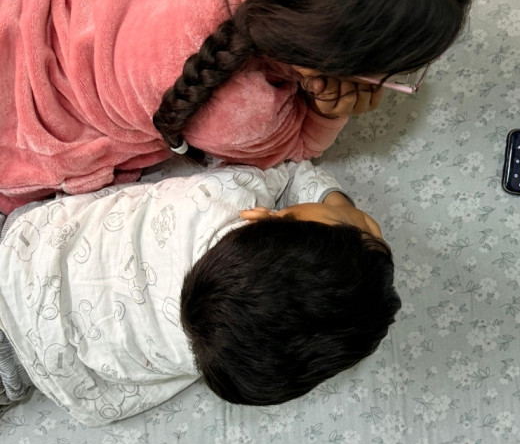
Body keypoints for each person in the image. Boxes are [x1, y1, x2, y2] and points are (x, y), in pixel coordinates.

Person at [0, 0, 476, 214]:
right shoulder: (238, 109)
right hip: (23, 103)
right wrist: (329, 110)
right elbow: (297, 148)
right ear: (317, 66)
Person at [0, 161, 400, 426]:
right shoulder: (224, 352)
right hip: (32, 366)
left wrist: (336, 201)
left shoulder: (225, 196)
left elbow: (295, 171)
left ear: (262, 217)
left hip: (22, 249)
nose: (368, 224)